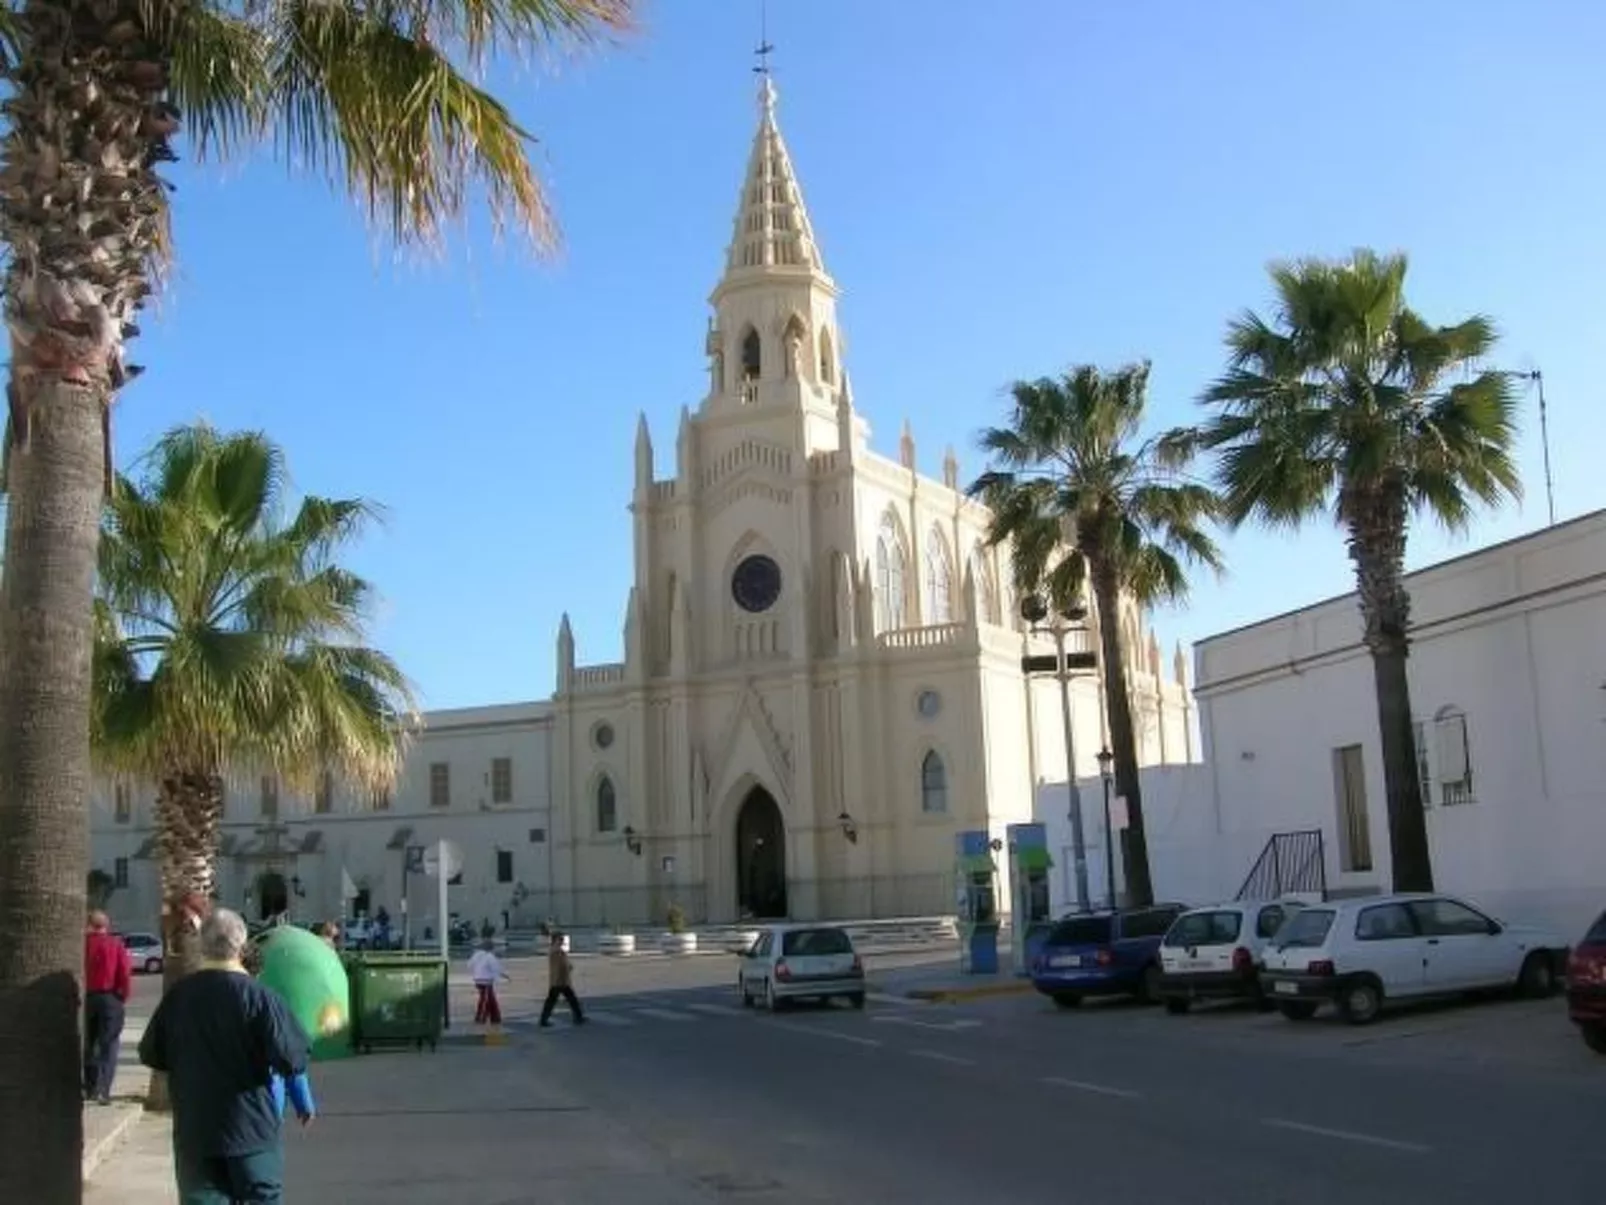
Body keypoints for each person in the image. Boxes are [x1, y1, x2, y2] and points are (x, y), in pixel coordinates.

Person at [139, 908, 312, 1204]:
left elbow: (153, 1053)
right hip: (252, 1130)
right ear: (241, 945)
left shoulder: (179, 997)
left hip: (196, 1132)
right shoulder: (261, 999)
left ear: (202, 944)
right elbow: (293, 1059)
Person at [83, 911, 133, 1105]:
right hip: (110, 997)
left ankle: (91, 1087)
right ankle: (105, 1089)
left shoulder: (84, 945)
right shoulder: (115, 944)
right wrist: (122, 996)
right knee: (109, 1044)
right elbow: (124, 973)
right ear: (106, 925)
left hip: (89, 997)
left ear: (89, 925)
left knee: (90, 1042)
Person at [538, 931, 585, 1028]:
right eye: (560, 939)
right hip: (559, 981)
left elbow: (564, 964)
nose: (562, 941)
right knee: (559, 1000)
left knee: (569, 1000)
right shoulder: (556, 952)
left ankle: (578, 1017)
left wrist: (568, 967)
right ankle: (544, 1020)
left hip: (560, 981)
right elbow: (560, 966)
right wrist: (568, 968)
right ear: (555, 940)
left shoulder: (557, 951)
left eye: (562, 939)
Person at [469, 937, 508, 1025]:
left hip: (478, 979)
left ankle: (495, 1016)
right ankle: (482, 1016)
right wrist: (501, 976)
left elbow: (470, 965)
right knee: (485, 999)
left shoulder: (476, 955)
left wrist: (476, 972)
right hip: (486, 980)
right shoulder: (490, 956)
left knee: (489, 997)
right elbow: (496, 968)